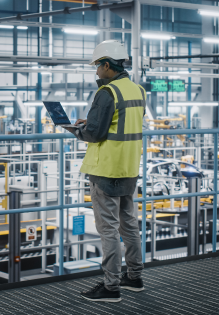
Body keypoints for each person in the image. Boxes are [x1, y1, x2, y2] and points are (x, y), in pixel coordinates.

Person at [64, 40, 146, 303]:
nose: (96, 71)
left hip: (106, 168)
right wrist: (93, 121)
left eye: (97, 66)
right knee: (129, 224)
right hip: (129, 166)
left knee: (108, 229)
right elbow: (121, 121)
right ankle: (134, 277)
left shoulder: (106, 92)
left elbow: (95, 134)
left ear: (107, 65)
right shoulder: (137, 90)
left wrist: (77, 129)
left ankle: (111, 287)